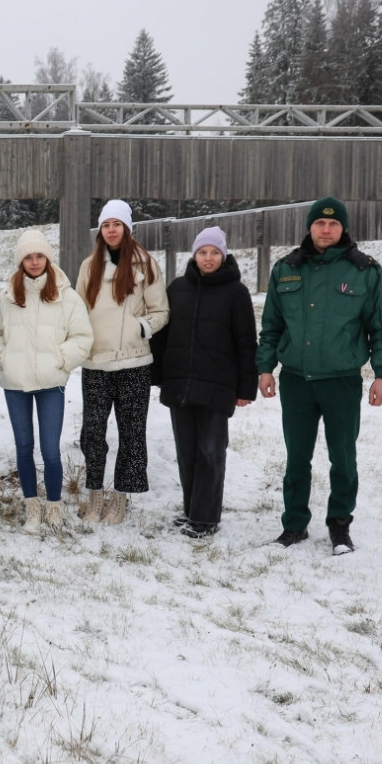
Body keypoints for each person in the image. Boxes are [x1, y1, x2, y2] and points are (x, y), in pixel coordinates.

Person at [257, 197, 382, 554]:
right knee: (296, 458)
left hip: (341, 381)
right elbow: (271, 326)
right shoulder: (286, 269)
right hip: (296, 381)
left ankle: (339, 526)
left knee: (343, 458)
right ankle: (294, 526)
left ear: (343, 229)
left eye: (333, 224)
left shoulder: (365, 271)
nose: (326, 229)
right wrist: (264, 367)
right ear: (309, 226)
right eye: (320, 223)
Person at [150, 227, 258, 539]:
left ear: (223, 256)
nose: (208, 258)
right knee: (187, 453)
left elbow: (246, 342)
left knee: (211, 452)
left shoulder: (236, 292)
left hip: (217, 385)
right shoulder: (178, 288)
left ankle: (205, 519)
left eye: (214, 253)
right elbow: (163, 338)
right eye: (202, 252)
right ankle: (190, 511)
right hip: (181, 384)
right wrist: (158, 375)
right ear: (194, 255)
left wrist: (244, 388)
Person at [0, 230, 93, 533]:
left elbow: (82, 338)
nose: (34, 261)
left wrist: (60, 359)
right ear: (21, 261)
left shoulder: (67, 297)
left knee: (50, 450)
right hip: (15, 382)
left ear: (47, 258)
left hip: (50, 383)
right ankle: (32, 506)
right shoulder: (7, 297)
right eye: (28, 257)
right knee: (23, 446)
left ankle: (54, 506)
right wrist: (0, 357)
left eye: (39, 255)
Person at [75, 199, 169, 525]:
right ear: (100, 230)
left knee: (131, 433)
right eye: (106, 224)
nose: (111, 230)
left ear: (127, 228)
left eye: (117, 224)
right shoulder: (90, 266)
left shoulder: (146, 264)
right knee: (92, 433)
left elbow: (161, 312)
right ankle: (94, 494)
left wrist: (140, 327)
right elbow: (78, 311)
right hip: (96, 364)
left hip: (133, 363)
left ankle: (120, 499)